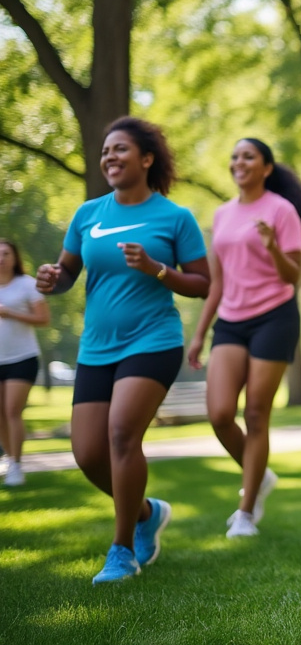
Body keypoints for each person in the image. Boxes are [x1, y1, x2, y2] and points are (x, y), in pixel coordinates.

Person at [35, 117, 209, 583]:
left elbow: (202, 283)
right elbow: (67, 273)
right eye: (105, 151)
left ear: (146, 159)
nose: (109, 157)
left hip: (153, 341)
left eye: (120, 149)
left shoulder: (175, 217)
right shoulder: (88, 215)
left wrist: (157, 269)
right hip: (97, 347)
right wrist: (52, 279)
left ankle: (122, 550)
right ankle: (147, 513)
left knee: (121, 435)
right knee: (88, 454)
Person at [188, 138, 301, 538]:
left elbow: (292, 275)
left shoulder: (281, 210)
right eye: (235, 157)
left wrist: (272, 247)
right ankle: (260, 474)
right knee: (219, 414)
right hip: (231, 320)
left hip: (274, 317)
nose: (239, 162)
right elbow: (217, 282)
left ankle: (246, 512)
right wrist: (199, 333)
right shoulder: (222, 214)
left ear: (266, 168)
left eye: (248, 156)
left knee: (256, 414)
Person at [0, 238, 52, 486]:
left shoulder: (27, 284)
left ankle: (17, 465)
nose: (1, 258)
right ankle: (10, 459)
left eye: (6, 253)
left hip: (22, 358)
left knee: (12, 410)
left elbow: (44, 319)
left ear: (15, 258)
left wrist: (10, 313)